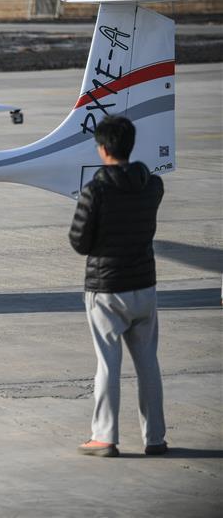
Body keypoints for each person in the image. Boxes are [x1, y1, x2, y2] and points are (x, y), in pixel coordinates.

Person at [69, 115, 167, 458]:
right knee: (148, 365)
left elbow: (79, 242)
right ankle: (155, 438)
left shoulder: (95, 190)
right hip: (144, 285)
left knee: (108, 365)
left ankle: (105, 437)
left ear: (102, 148)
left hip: (107, 289)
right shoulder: (152, 185)